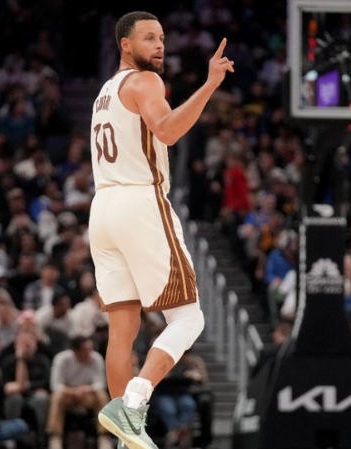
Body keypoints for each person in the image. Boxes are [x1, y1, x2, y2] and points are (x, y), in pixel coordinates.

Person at [90, 11, 233, 448]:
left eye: (162, 38)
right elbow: (168, 131)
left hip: (103, 210)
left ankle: (125, 437)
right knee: (189, 317)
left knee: (123, 330)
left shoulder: (104, 92)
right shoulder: (145, 81)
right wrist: (209, 85)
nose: (159, 46)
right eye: (149, 38)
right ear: (125, 45)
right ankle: (135, 402)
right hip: (139, 203)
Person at [46, 336, 110, 449]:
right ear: (75, 351)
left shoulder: (96, 358)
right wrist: (74, 391)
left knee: (101, 395)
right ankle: (55, 437)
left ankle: (104, 436)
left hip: (87, 394)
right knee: (57, 396)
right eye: (86, 350)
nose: (89, 353)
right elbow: (56, 385)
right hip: (68, 394)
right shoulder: (61, 359)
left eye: (90, 349)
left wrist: (87, 389)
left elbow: (100, 383)